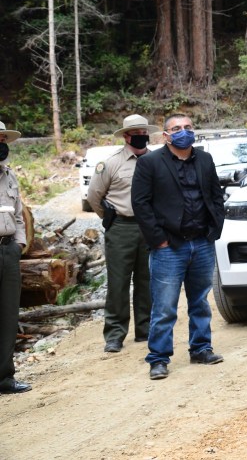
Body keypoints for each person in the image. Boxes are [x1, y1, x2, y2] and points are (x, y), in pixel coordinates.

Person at [132, 113, 226, 381]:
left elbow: (216, 195)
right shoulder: (150, 163)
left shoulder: (204, 159)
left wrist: (215, 227)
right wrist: (158, 239)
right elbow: (141, 204)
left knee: (200, 301)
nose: (183, 132)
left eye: (187, 127)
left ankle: (201, 348)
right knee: (164, 307)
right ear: (166, 135)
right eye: (177, 128)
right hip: (169, 246)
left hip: (202, 242)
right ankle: (158, 359)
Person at [87, 114, 158, 354]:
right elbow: (94, 197)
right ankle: (115, 334)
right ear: (125, 136)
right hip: (121, 228)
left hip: (149, 227)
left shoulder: (156, 160)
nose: (140, 137)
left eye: (143, 133)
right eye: (135, 133)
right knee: (118, 283)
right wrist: (110, 219)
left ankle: (145, 329)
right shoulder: (111, 164)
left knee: (147, 280)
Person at [0, 120, 30, 395]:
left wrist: (19, 243)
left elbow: (18, 214)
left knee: (8, 314)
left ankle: (5, 377)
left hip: (8, 250)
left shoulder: (9, 175)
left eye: (3, 140)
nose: (1, 145)